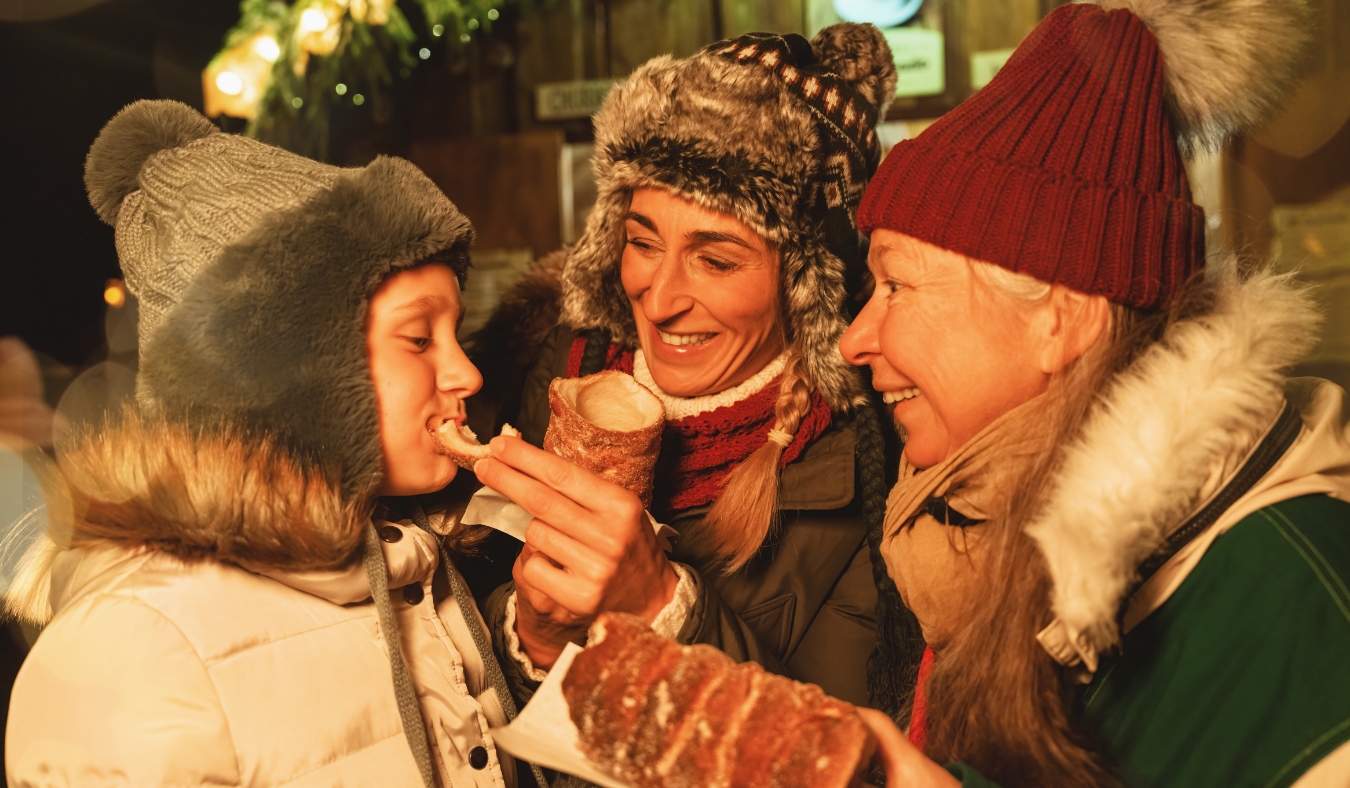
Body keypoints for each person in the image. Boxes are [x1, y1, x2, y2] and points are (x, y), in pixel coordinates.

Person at [839, 0, 1350, 786]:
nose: (853, 340)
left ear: (1060, 317)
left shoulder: (1298, 601)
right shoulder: (981, 542)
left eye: (897, 285)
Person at [5, 100, 545, 788]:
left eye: (455, 333)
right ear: (293, 372)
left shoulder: (423, 573)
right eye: (418, 339)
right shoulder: (136, 648)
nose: (466, 372)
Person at [466, 23, 922, 717]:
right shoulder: (542, 372)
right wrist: (531, 638)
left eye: (716, 260)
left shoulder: (871, 470)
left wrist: (662, 608)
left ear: (805, 286)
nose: (661, 295)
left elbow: (846, 753)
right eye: (642, 242)